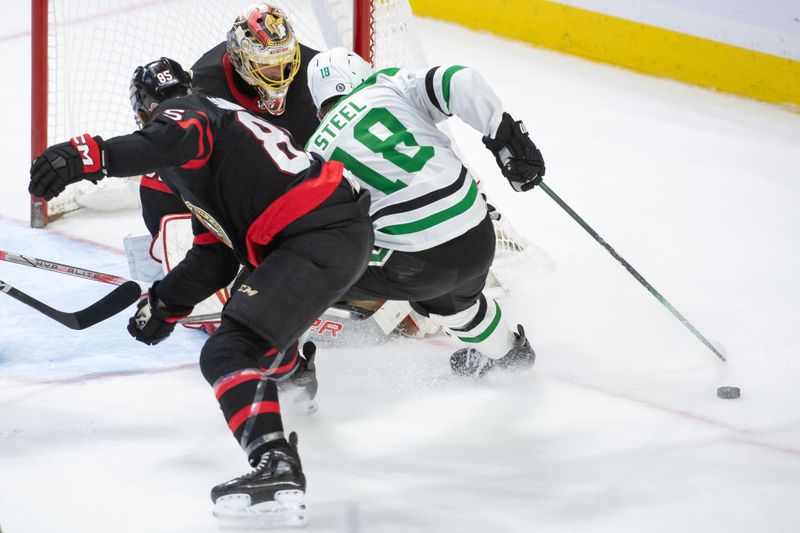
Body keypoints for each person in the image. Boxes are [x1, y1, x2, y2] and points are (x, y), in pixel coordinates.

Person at [29, 57, 373, 526]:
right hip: (324, 232)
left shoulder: (191, 114)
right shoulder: (209, 147)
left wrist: (91, 155)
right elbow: (215, 253)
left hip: (314, 233)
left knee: (227, 351)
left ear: (144, 113)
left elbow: (175, 131)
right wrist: (166, 303)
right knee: (254, 334)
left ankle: (274, 463)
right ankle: (294, 376)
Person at [305, 48, 546, 377]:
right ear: (362, 76)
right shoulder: (387, 85)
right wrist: (505, 136)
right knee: (454, 297)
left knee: (302, 267)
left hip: (418, 268)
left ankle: (286, 362)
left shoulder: (316, 149)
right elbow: (458, 80)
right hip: (479, 233)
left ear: (319, 108)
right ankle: (506, 353)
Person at [139, 3, 321, 231]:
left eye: (286, 61)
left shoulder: (317, 68)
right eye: (266, 65)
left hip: (310, 194)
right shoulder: (204, 84)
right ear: (239, 59)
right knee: (161, 174)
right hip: (242, 200)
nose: (279, 74)